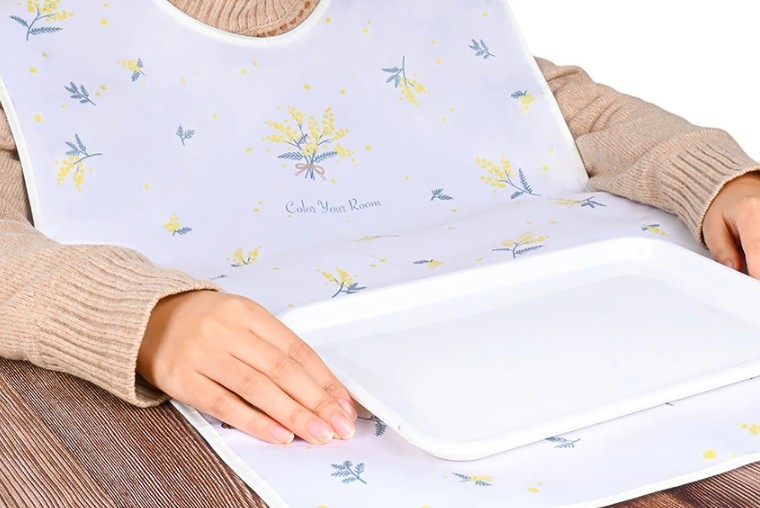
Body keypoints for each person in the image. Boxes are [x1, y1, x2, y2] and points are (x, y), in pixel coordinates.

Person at [1, 0, 759, 451]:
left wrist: (719, 179)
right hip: (252, 416)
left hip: (528, 354)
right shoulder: (37, 37)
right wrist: (146, 318)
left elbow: (547, 105)